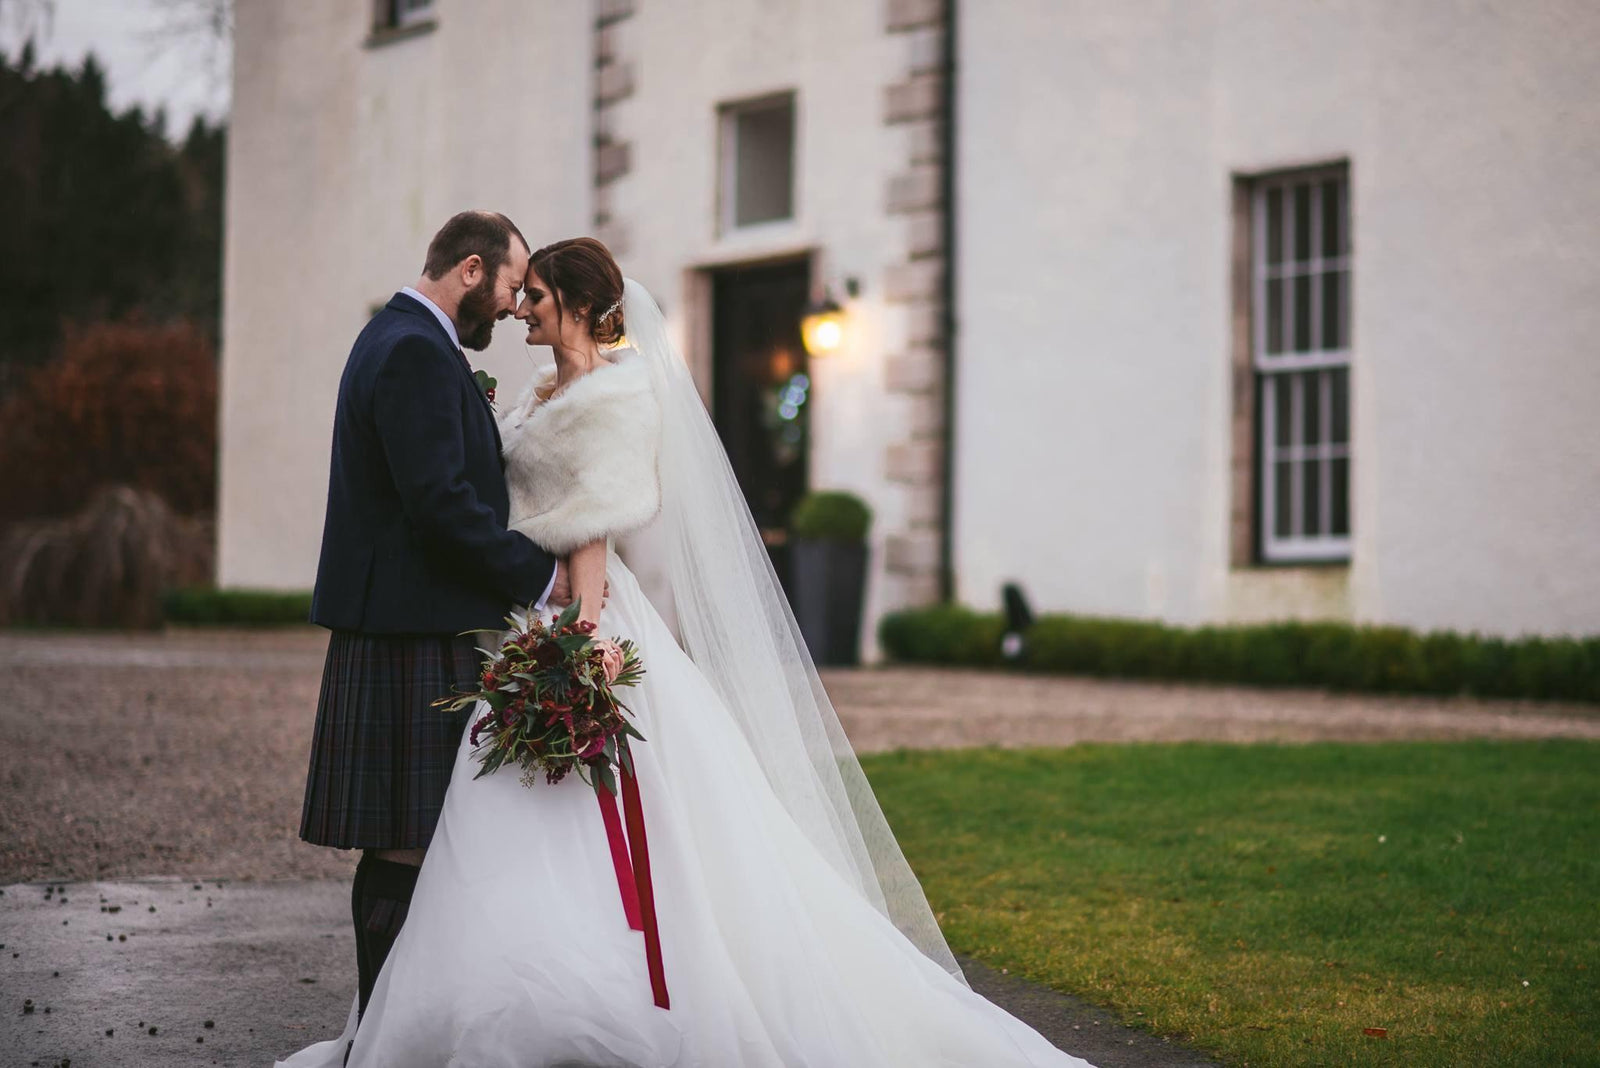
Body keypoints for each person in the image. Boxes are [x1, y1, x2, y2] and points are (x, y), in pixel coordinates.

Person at [278, 238, 1096, 1066]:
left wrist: (578, 642)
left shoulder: (608, 397)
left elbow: (589, 530)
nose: (520, 307)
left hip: (573, 617)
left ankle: (592, 997)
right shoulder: (547, 386)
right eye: (517, 292)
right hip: (529, 610)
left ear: (576, 304)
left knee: (586, 823)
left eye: (535, 296)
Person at [297, 212, 573, 1047]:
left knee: (408, 840)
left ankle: (391, 1029)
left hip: (404, 620)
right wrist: (539, 575)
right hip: (411, 629)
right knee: (409, 844)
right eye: (510, 285)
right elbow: (440, 505)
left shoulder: (396, 337)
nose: (513, 305)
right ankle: (387, 1033)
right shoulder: (415, 350)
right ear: (468, 271)